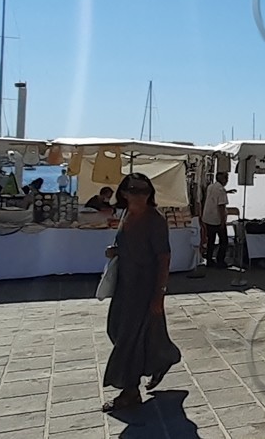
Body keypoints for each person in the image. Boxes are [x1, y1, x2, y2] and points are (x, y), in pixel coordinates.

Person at [101, 173, 182, 412]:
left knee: (128, 338)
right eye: (136, 190)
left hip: (145, 287)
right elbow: (130, 245)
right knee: (116, 328)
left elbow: (164, 257)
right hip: (125, 285)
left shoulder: (154, 220)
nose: (142, 195)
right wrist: (115, 252)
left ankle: (129, 390)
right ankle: (164, 357)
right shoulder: (127, 215)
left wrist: (159, 295)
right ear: (124, 193)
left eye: (146, 190)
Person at [198, 172, 231, 272]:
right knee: (224, 241)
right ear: (224, 180)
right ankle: (220, 260)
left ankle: (209, 260)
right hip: (216, 219)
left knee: (211, 240)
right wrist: (222, 221)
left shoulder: (211, 187)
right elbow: (221, 206)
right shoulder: (221, 190)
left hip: (208, 217)